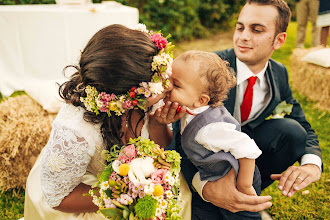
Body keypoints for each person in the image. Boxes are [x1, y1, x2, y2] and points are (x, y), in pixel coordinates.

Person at [171, 0, 322, 219]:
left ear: (279, 40)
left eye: (256, 29)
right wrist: (204, 187)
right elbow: (178, 137)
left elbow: (303, 123)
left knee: (292, 132)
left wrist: (312, 165)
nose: (243, 36)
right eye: (240, 27)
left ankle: (246, 196)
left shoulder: (279, 74)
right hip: (202, 162)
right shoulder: (205, 72)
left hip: (244, 156)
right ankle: (214, 202)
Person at [23, 24, 192, 219]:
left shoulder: (147, 98)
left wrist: (157, 124)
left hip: (136, 175)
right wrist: (123, 193)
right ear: (125, 98)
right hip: (82, 191)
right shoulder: (75, 132)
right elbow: (58, 198)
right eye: (158, 82)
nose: (168, 85)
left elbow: (159, 145)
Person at [166, 50, 263, 219]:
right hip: (212, 176)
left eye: (176, 85)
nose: (167, 86)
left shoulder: (210, 129)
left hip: (236, 179)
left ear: (201, 100)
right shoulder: (191, 108)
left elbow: (247, 148)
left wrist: (244, 184)